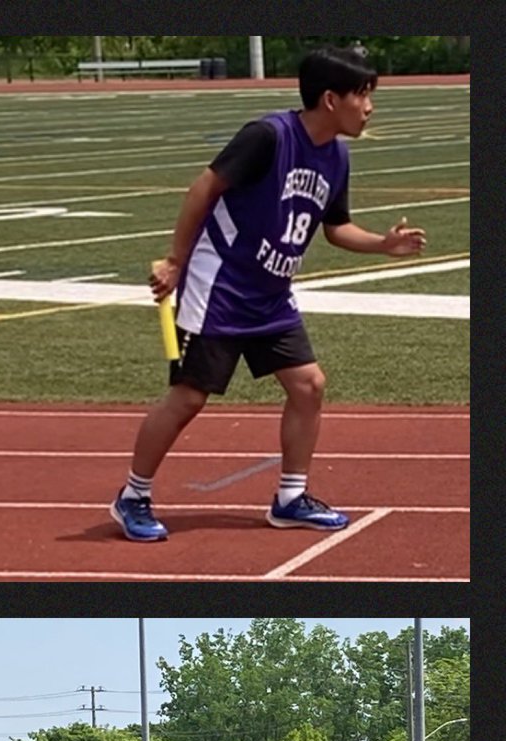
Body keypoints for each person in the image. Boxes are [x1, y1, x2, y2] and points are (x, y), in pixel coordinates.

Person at [109, 46, 426, 543]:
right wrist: (176, 261)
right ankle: (132, 496)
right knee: (189, 397)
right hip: (220, 288)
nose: (370, 107)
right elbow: (203, 189)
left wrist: (384, 246)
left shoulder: (336, 156)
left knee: (308, 385)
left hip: (272, 295)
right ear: (329, 99)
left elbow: (336, 228)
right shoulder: (268, 137)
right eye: (363, 95)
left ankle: (290, 498)